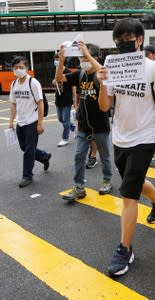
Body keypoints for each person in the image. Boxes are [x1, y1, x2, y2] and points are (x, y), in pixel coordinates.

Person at [97, 17, 155, 276]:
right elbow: (105, 106)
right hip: (120, 137)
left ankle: (125, 248)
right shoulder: (111, 65)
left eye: (127, 39)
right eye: (118, 41)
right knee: (136, 181)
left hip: (146, 138)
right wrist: (102, 82)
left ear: (140, 40)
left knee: (128, 192)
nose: (123, 44)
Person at [56, 42, 113, 201]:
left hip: (100, 126)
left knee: (105, 156)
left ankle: (107, 180)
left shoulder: (101, 75)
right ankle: (79, 187)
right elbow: (59, 78)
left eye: (85, 57)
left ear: (94, 57)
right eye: (81, 57)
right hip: (83, 126)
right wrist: (61, 61)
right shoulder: (80, 74)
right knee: (79, 156)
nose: (82, 60)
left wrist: (87, 55)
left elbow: (102, 70)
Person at [8, 56, 51, 188]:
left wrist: (40, 123)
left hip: (32, 121)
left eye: (21, 67)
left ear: (26, 68)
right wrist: (11, 122)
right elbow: (13, 104)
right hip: (20, 122)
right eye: (16, 67)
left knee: (28, 150)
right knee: (24, 147)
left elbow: (40, 102)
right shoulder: (14, 84)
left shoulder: (33, 82)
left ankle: (27, 176)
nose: (18, 69)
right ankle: (44, 156)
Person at [53, 53, 76, 147]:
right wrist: (54, 82)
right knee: (60, 118)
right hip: (58, 98)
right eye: (55, 59)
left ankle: (65, 138)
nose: (56, 61)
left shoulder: (68, 71)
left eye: (58, 59)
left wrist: (74, 100)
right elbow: (55, 81)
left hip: (67, 99)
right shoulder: (56, 71)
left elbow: (73, 87)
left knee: (65, 120)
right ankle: (73, 127)